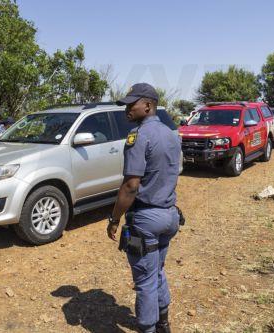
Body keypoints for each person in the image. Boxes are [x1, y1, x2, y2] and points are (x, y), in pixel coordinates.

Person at [107, 83, 181, 333]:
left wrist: (114, 218)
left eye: (131, 104)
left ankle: (148, 328)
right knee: (157, 270)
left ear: (147, 105)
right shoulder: (171, 133)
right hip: (169, 215)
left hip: (146, 218)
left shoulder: (139, 136)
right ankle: (164, 323)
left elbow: (130, 185)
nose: (127, 109)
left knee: (146, 280)